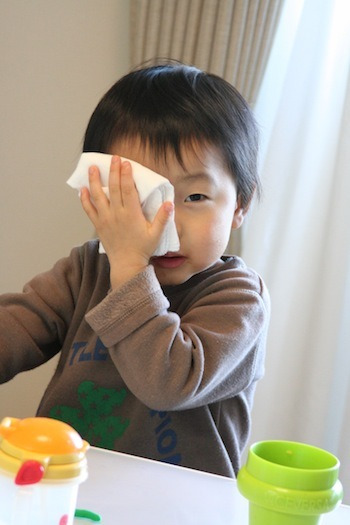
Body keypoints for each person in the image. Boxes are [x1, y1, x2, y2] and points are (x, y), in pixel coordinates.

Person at [0, 62, 270, 478]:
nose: (166, 221)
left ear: (240, 206)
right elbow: (19, 326)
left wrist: (129, 269)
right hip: (72, 485)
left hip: (184, 507)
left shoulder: (237, 299)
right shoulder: (87, 269)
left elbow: (167, 383)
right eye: (142, 196)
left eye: (194, 196)